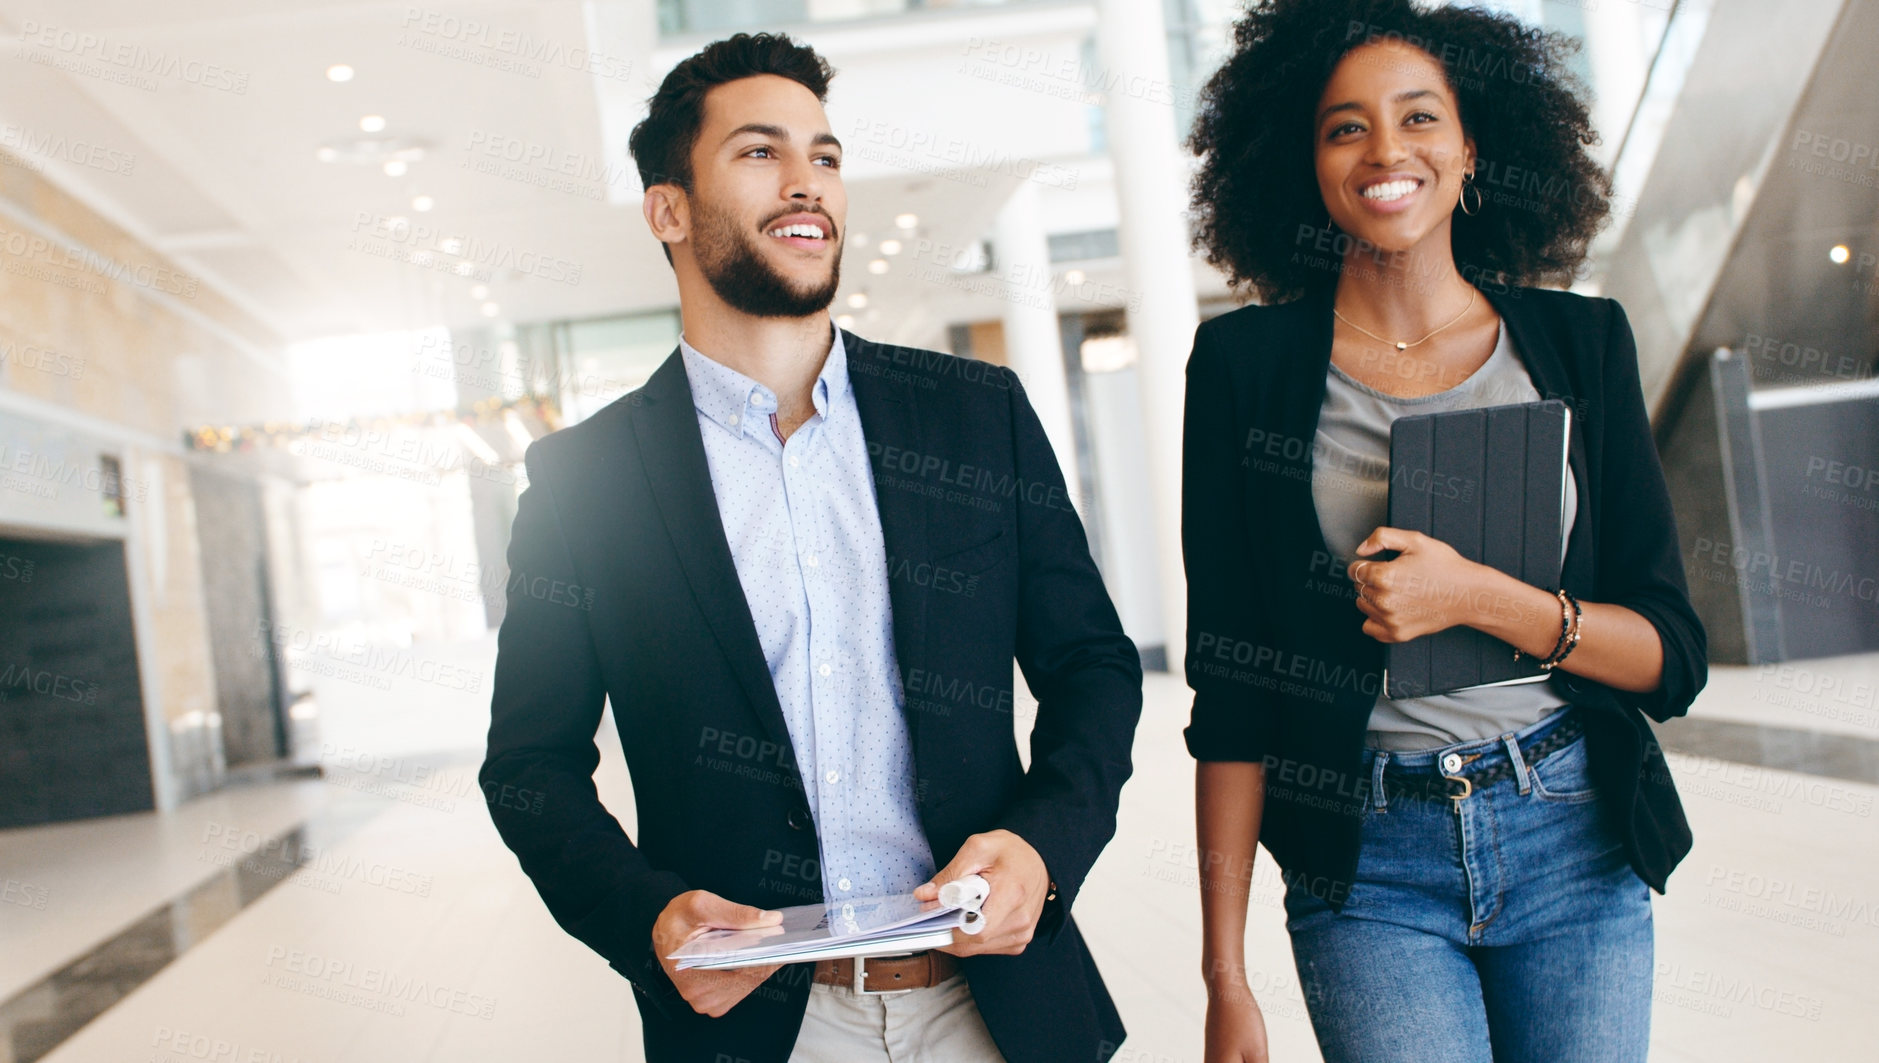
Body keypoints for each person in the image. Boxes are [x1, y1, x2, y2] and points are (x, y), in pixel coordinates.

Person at [479, 32, 1141, 1063]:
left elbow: (1091, 666)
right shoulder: (584, 481)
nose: (807, 183)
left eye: (824, 156)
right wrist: (647, 917)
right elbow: (529, 766)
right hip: (762, 1027)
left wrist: (1040, 849)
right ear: (668, 209)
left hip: (996, 1009)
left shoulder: (973, 416)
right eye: (759, 153)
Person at [1179, 2, 1707, 1061]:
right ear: (1307, 162)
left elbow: (1670, 657)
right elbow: (1231, 688)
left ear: (1472, 146)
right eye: (1344, 127)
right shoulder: (1245, 369)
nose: (1386, 151)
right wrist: (1224, 974)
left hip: (1571, 835)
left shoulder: (1578, 342)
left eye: (1419, 117)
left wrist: (1475, 597)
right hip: (1368, 860)